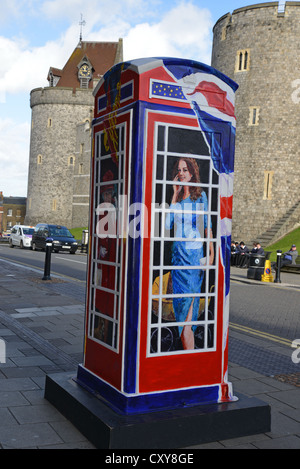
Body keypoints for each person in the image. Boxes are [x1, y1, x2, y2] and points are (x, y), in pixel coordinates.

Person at [165, 157, 214, 350]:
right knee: (181, 311)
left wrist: (210, 253)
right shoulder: (178, 199)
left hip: (193, 260)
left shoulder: (200, 197)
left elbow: (207, 227)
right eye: (179, 170)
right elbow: (168, 225)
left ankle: (189, 357)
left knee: (188, 313)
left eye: (185, 169)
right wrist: (174, 195)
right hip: (177, 259)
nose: (182, 173)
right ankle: (189, 357)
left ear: (192, 173)